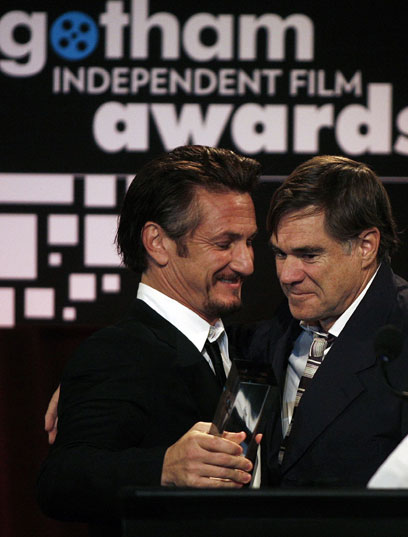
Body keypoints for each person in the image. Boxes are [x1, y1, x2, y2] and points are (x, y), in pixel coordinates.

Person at [37, 145, 261, 533]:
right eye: (224, 243)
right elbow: (60, 480)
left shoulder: (245, 345)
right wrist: (164, 467)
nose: (246, 263)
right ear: (158, 242)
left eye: (249, 241)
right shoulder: (116, 353)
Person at [232, 155, 408, 487]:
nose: (288, 276)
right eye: (280, 254)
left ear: (366, 246)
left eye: (309, 255)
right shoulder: (270, 333)